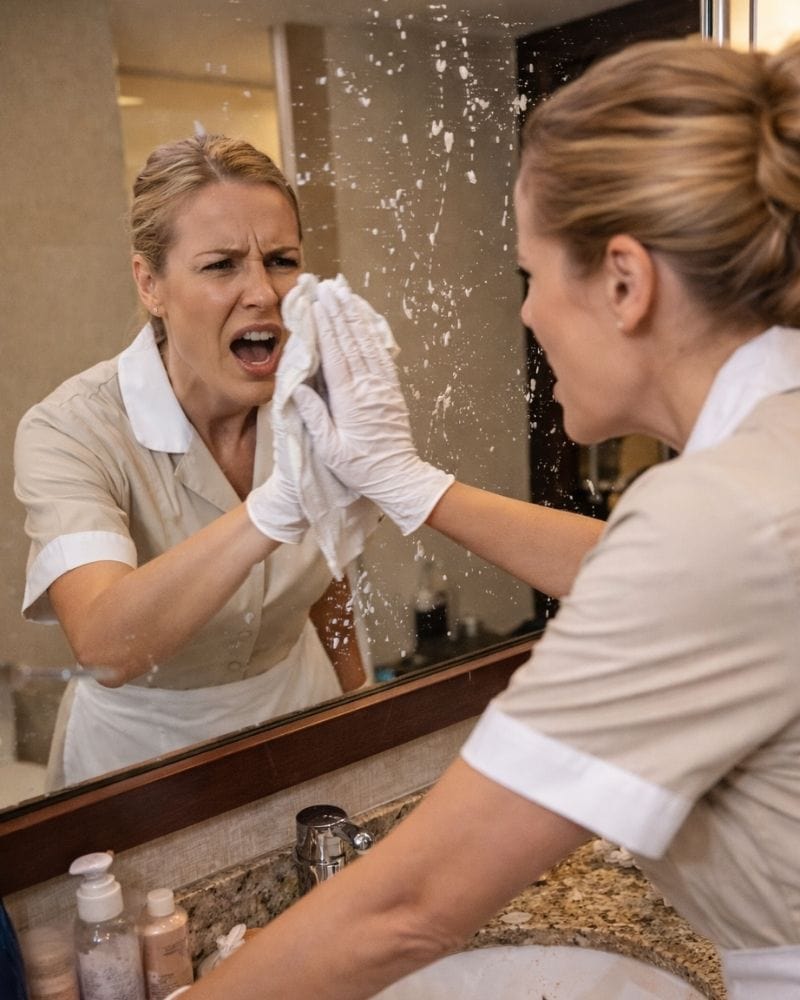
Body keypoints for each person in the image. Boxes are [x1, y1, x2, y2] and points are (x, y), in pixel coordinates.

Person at [179, 35, 800, 1000]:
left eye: (532, 276)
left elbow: (408, 908)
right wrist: (408, 482)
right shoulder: (768, 461)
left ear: (626, 282)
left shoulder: (716, 515)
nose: (528, 316)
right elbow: (644, 575)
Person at [13, 135, 375, 789]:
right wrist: (272, 509)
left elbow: (329, 584)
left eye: (282, 260)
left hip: (301, 714)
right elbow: (104, 642)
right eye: (221, 266)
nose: (263, 292)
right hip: (138, 763)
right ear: (150, 283)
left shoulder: (320, 401)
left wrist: (361, 715)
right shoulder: (70, 429)